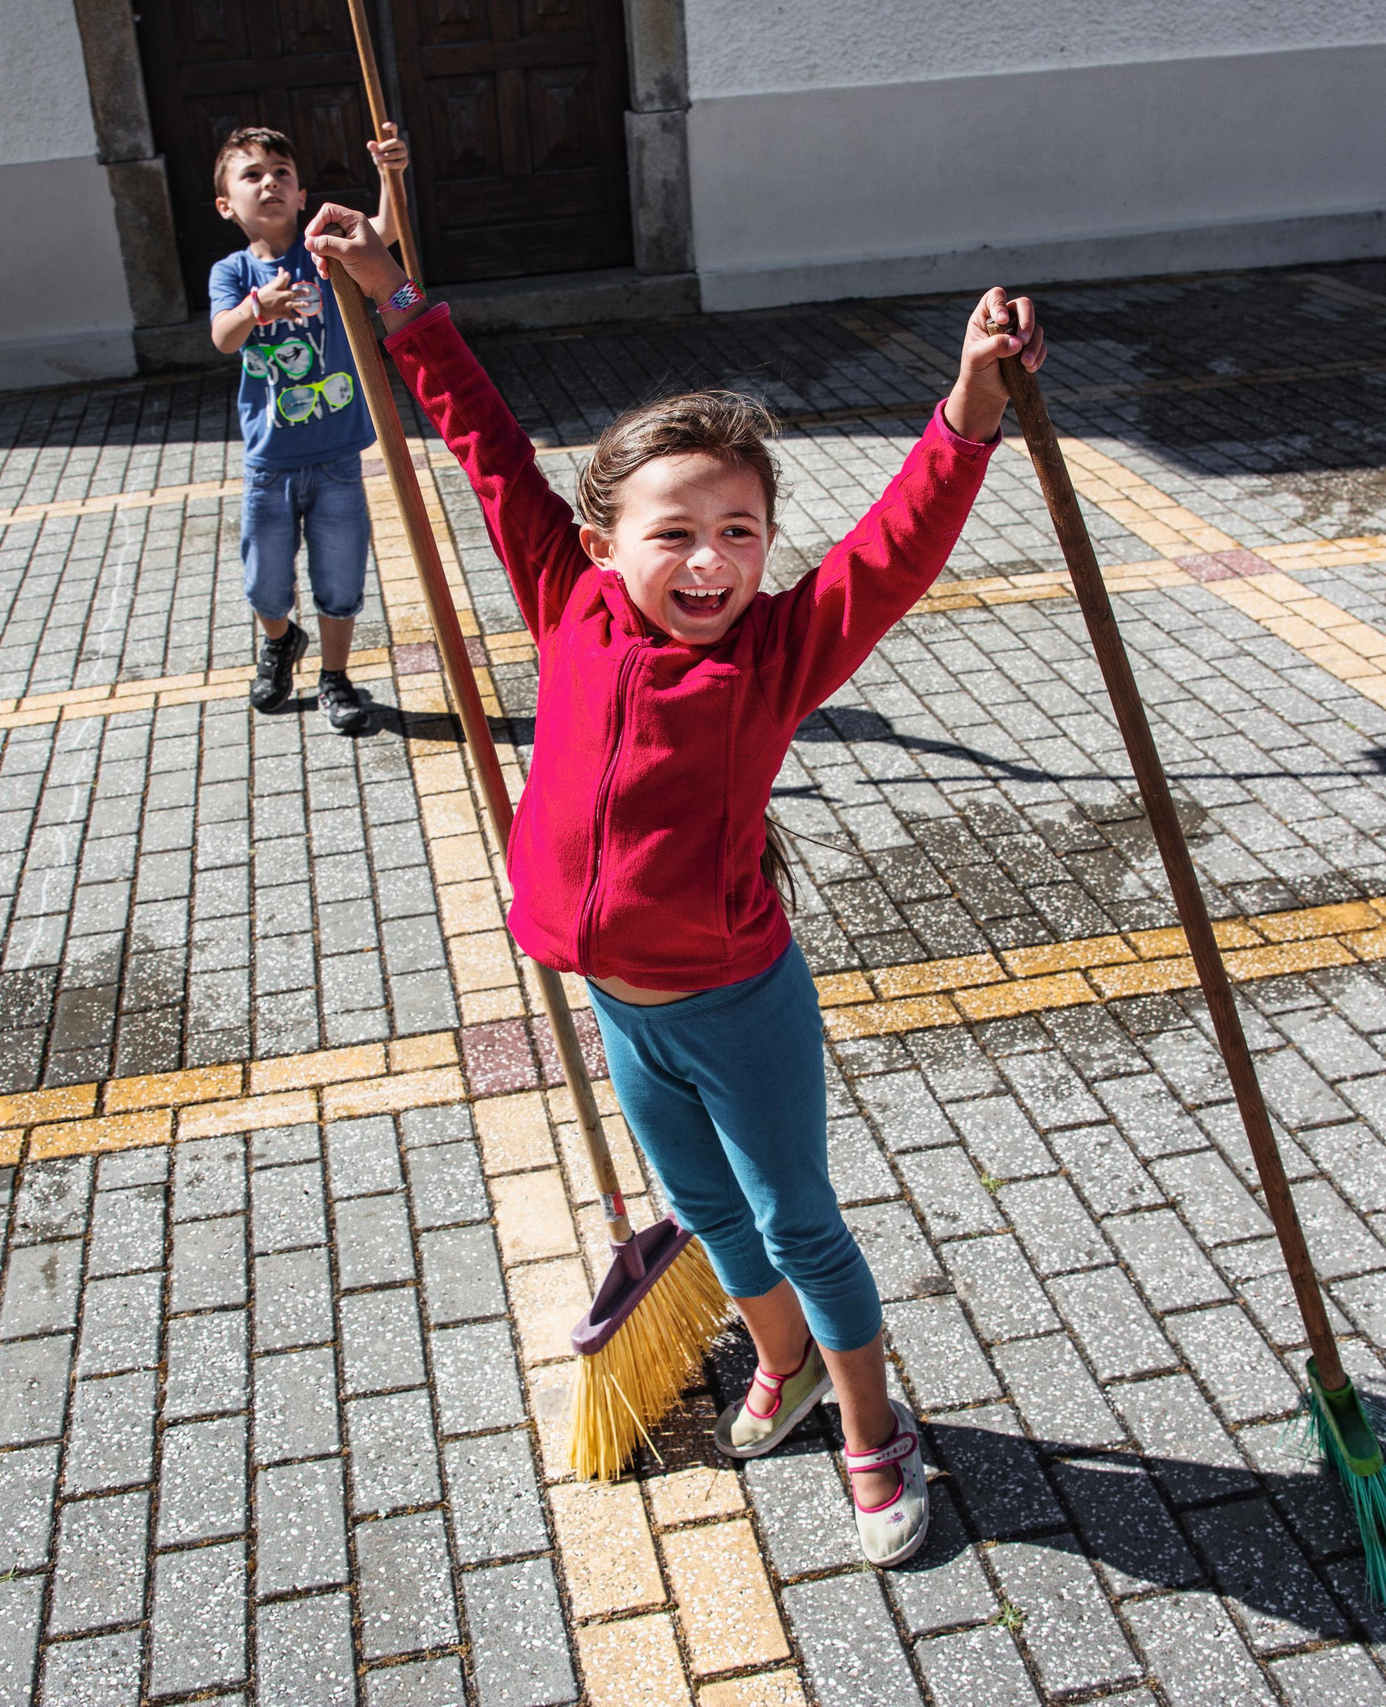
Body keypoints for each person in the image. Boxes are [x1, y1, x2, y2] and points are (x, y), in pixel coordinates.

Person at [306, 200, 1045, 1567]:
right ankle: (789, 1365)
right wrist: (396, 300)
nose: (711, 561)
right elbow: (484, 443)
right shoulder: (564, 596)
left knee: (795, 1218)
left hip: (735, 999)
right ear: (602, 544)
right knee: (706, 1212)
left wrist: (969, 408)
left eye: (742, 530)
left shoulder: (773, 655)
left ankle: (878, 1425)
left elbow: (893, 550)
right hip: (621, 1007)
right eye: (676, 532)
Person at [208, 122, 412, 734]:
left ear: (300, 196)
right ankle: (280, 639)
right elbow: (222, 338)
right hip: (269, 463)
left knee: (340, 576)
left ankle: (335, 676)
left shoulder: (324, 253)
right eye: (252, 175)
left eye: (281, 174)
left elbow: (386, 235)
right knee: (265, 581)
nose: (269, 182)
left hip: (337, 459)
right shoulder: (232, 272)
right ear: (227, 205)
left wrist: (391, 176)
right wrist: (256, 309)